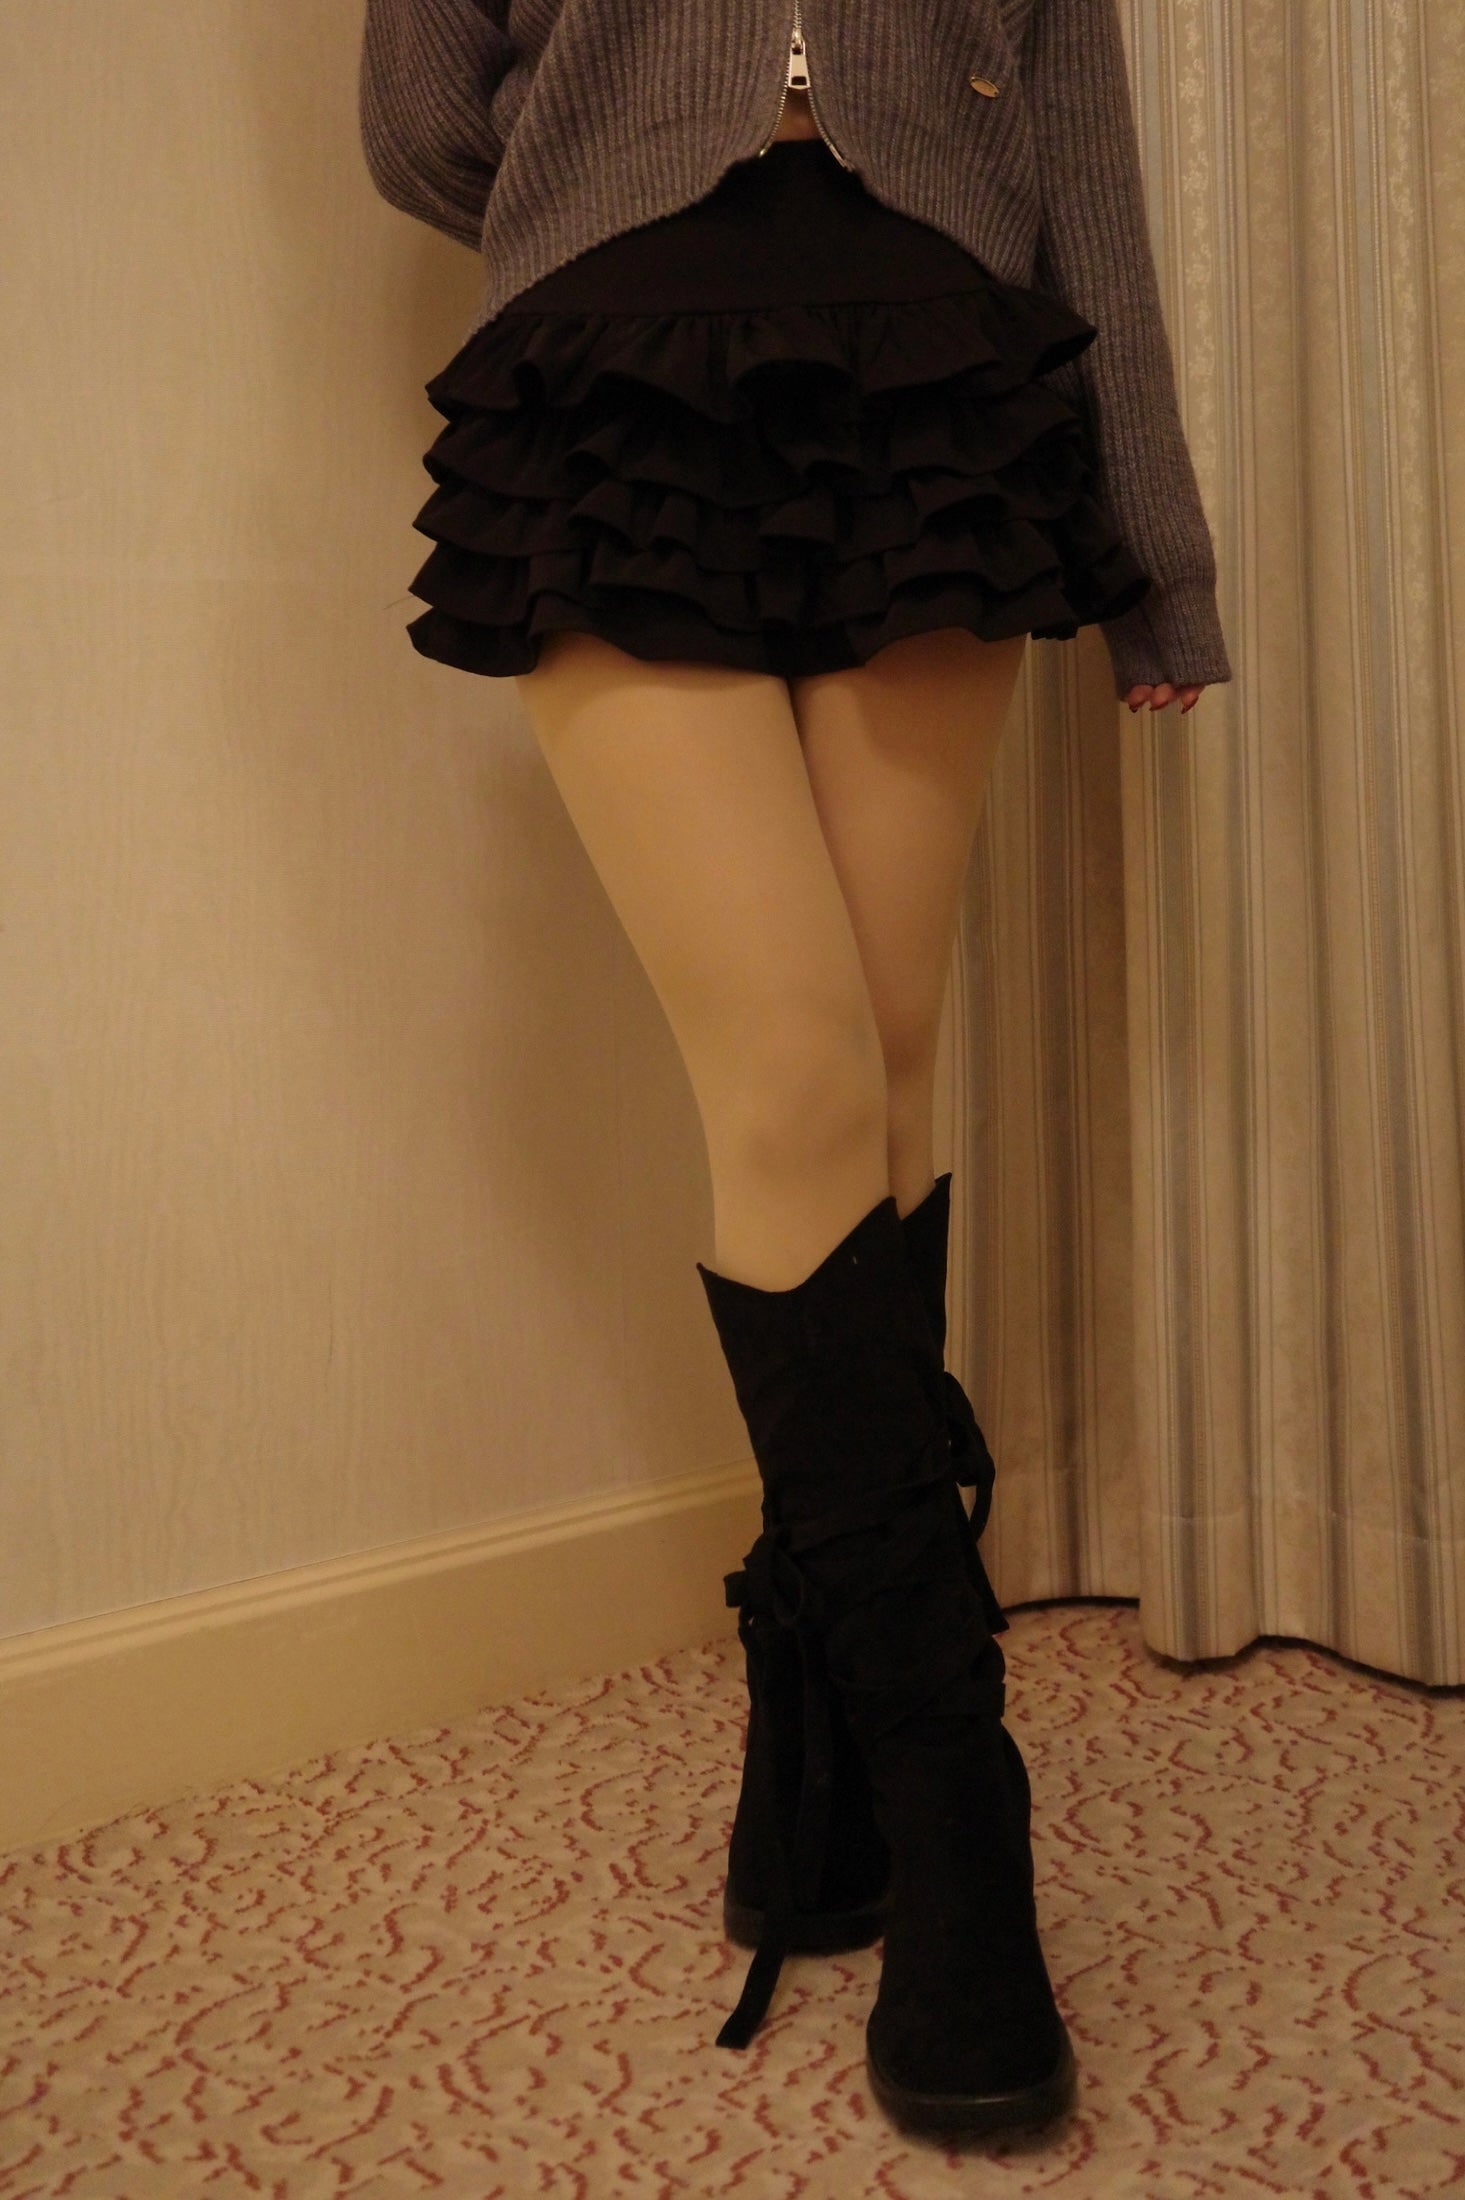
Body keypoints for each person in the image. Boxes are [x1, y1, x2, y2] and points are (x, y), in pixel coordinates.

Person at [358, 0, 1232, 2145]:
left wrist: (1161, 555)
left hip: (935, 369)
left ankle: (814, 1720)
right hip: (621, 363)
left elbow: (1082, 176)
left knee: (887, 1068)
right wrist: (627, 187)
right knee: (791, 1074)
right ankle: (951, 1792)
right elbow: (420, 121)